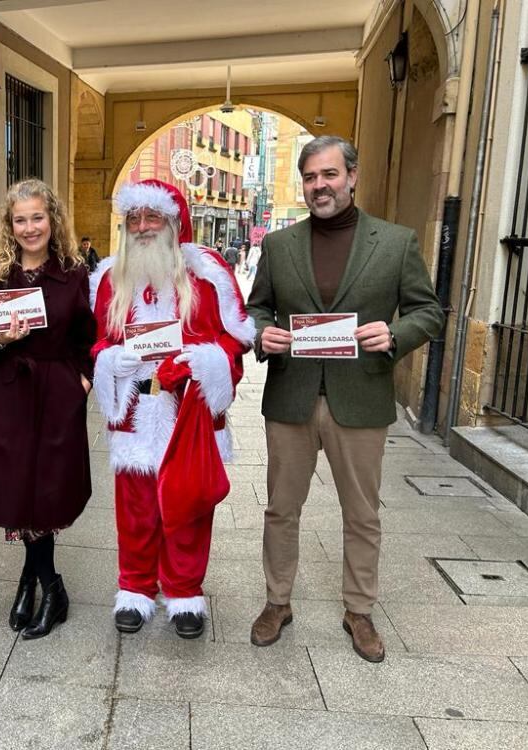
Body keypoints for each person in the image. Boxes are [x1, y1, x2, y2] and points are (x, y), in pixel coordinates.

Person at [245, 136, 444, 662]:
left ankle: (359, 610)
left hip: (360, 398)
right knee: (281, 509)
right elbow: (256, 310)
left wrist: (396, 334)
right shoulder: (279, 246)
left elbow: (429, 311)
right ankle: (277, 602)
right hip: (291, 396)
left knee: (361, 513)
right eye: (310, 178)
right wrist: (262, 335)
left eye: (329, 175)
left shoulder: (395, 243)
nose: (319, 186)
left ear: (352, 177)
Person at [90, 179, 255, 638]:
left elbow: (234, 339)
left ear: (173, 222)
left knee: (188, 506)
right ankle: (136, 588)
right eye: (134, 219)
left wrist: (200, 361)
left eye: (152, 217)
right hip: (136, 409)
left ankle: (184, 592)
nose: (142, 228)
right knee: (136, 509)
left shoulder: (208, 274)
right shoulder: (110, 278)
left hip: (191, 414)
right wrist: (112, 358)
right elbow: (101, 339)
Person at [0, 179, 96, 640]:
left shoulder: (75, 270)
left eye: (38, 217)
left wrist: (84, 377)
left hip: (55, 393)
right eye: (20, 219)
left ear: (52, 219)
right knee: (17, 487)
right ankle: (45, 583)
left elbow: (88, 335)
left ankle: (41, 584)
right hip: (6, 391)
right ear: (8, 224)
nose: (30, 227)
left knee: (48, 490)